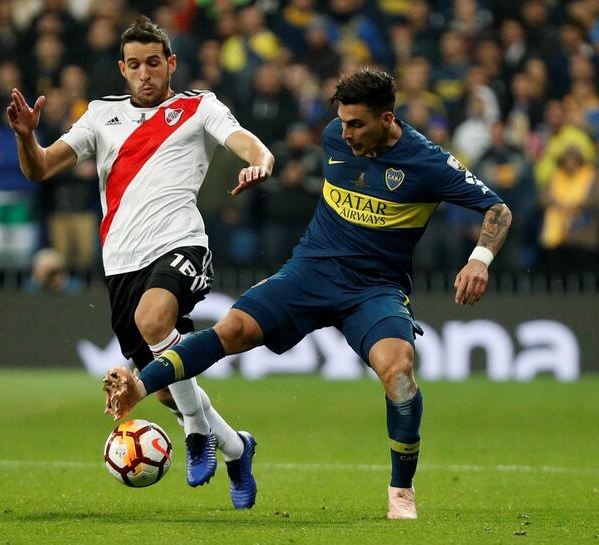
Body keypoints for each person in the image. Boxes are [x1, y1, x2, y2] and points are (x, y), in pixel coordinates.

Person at [103, 68, 512, 519]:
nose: (346, 133)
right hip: (310, 271)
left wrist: (479, 259)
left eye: (357, 124)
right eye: (342, 121)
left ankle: (401, 492)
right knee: (233, 328)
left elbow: (498, 207)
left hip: (374, 289)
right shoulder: (335, 136)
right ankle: (141, 385)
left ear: (388, 118)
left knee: (398, 371)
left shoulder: (427, 162)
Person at [6, 15, 274, 509]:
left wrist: (262, 161)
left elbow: (247, 143)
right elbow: (40, 167)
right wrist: (26, 136)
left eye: (154, 62)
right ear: (122, 69)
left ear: (170, 63)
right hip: (122, 263)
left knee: (154, 321)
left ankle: (197, 434)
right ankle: (237, 447)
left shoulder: (198, 107)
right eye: (135, 65)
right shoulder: (99, 116)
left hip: (181, 243)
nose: (145, 73)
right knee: (170, 387)